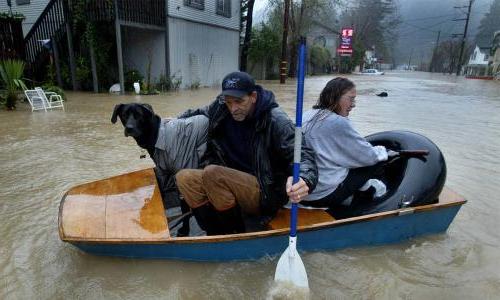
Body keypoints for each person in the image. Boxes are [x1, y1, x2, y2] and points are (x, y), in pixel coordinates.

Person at [175, 71, 318, 235]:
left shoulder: (276, 120)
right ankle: (213, 231)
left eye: (239, 101)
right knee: (184, 178)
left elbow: (303, 153)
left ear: (253, 97)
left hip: (264, 189)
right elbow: (199, 112)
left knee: (213, 173)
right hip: (228, 179)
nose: (233, 108)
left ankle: (233, 234)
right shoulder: (221, 108)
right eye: (229, 102)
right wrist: (171, 122)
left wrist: (305, 179)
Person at [296, 77, 389, 210]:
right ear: (336, 96)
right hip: (323, 195)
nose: (353, 104)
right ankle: (361, 203)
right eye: (351, 99)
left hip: (302, 192)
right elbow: (369, 157)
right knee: (379, 163)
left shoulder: (306, 115)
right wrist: (382, 150)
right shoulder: (338, 122)